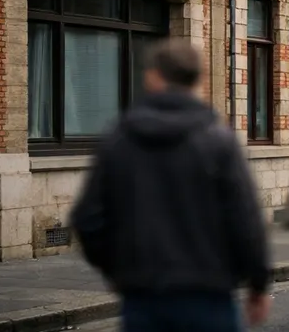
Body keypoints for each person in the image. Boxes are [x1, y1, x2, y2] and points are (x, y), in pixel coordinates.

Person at [70, 39, 271, 332]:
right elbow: (245, 220)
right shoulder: (218, 141)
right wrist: (258, 283)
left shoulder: (120, 140)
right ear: (199, 79)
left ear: (153, 77)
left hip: (144, 296)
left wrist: (117, 270)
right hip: (209, 295)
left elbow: (88, 219)